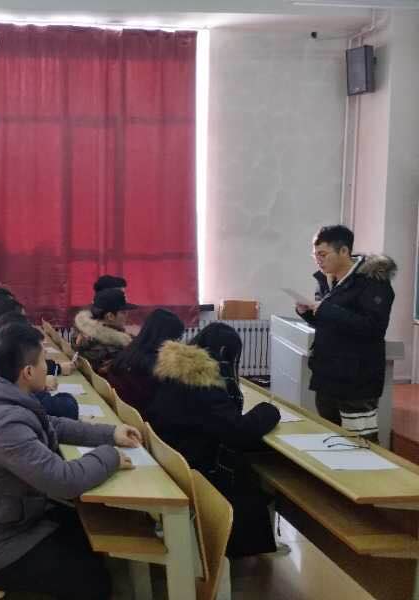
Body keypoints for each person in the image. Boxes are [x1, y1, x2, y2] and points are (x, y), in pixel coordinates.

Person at [0, 322, 141, 599]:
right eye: (44, 361)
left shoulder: (3, 392)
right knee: (94, 580)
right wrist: (110, 456)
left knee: (88, 528)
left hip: (9, 521)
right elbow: (64, 481)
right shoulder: (4, 424)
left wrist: (110, 434)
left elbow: (50, 424)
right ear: (27, 372)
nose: (48, 366)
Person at [150, 322, 281, 557]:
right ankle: (239, 548)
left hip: (176, 454)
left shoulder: (176, 371)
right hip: (197, 464)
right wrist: (269, 411)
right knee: (251, 474)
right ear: (223, 354)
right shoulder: (204, 386)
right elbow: (238, 432)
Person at [296, 225, 396, 441]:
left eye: (323, 254)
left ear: (343, 251)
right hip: (328, 376)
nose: (318, 260)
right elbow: (331, 324)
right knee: (331, 439)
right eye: (315, 255)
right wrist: (308, 313)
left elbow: (373, 327)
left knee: (359, 442)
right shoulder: (327, 279)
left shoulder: (373, 282)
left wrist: (326, 309)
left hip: (357, 379)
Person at [106, 308, 184, 414]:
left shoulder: (131, 350)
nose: (179, 344)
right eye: (177, 338)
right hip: (143, 417)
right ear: (165, 338)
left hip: (122, 412)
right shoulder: (156, 366)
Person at [73, 288, 136, 374]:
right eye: (123, 312)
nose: (127, 315)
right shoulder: (113, 348)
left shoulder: (83, 334)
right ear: (110, 316)